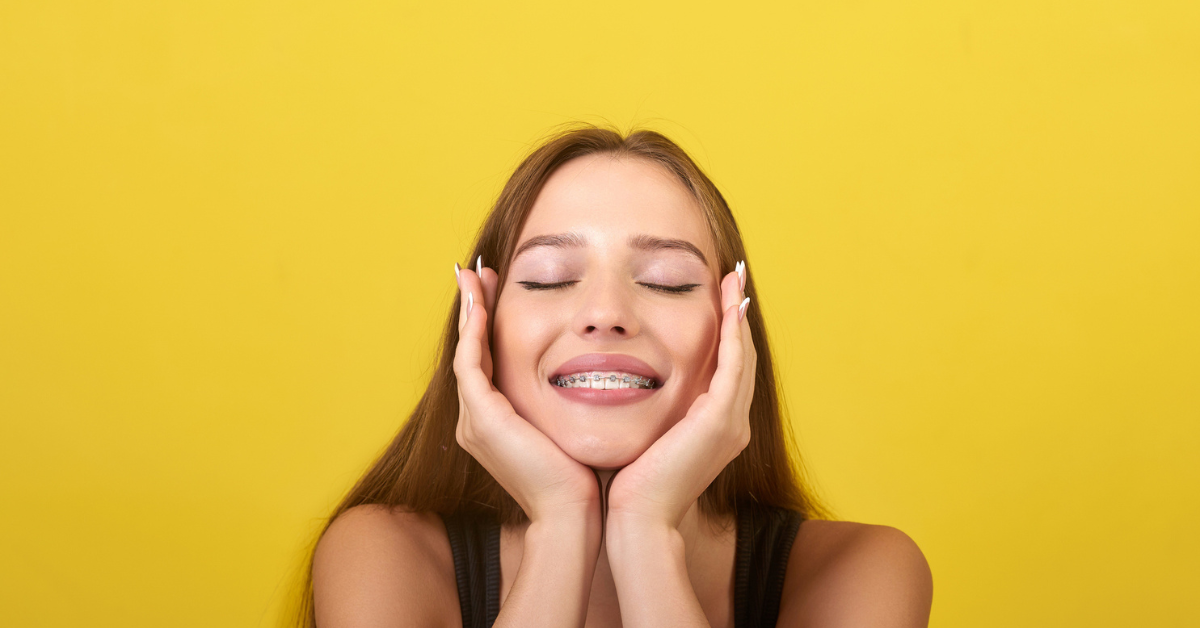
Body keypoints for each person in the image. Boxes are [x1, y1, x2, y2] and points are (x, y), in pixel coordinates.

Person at [299, 125, 933, 627]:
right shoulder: (383, 558)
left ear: (732, 332)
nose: (605, 315)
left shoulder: (862, 573)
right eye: (549, 277)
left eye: (666, 282)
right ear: (481, 326)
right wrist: (560, 523)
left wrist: (646, 531)